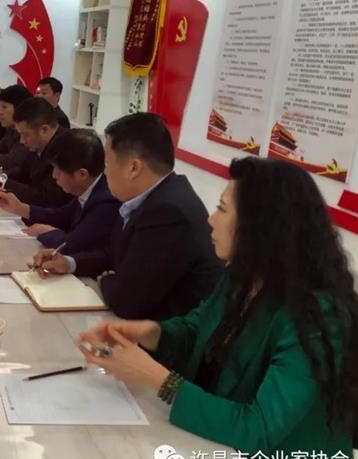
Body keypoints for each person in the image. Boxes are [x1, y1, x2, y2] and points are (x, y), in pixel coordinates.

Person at [77, 157, 358, 459]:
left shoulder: (318, 315)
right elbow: (198, 330)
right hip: (221, 456)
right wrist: (151, 333)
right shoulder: (243, 276)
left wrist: (156, 378)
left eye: (221, 209)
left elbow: (257, 429)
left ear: (261, 226)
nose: (210, 219)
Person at [34, 113, 222, 320]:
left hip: (165, 332)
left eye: (108, 164)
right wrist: (69, 263)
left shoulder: (168, 211)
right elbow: (113, 255)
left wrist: (106, 280)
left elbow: (126, 302)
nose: (105, 173)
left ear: (133, 168)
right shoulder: (149, 199)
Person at [0, 128, 119, 255]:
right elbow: (63, 216)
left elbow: (71, 246)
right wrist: (20, 208)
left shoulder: (106, 203)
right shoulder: (89, 187)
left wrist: (49, 232)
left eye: (58, 169)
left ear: (82, 174)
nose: (54, 175)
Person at [0, 98, 71, 208]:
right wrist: (1, 178)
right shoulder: (40, 142)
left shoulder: (66, 149)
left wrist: (2, 184)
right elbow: (23, 170)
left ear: (44, 130)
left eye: (25, 135)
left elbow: (46, 198)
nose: (22, 141)